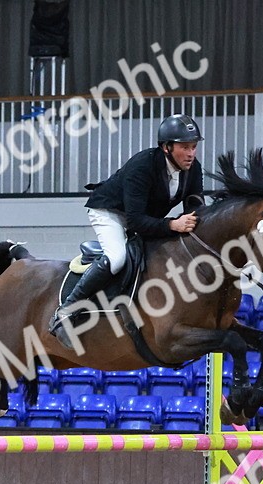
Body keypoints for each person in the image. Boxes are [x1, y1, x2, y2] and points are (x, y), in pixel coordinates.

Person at [49, 113, 206, 345]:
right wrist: (172, 224)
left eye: (193, 147)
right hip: (111, 211)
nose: (191, 153)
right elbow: (135, 221)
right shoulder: (142, 166)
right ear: (166, 147)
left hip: (143, 216)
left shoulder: (193, 169)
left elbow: (195, 203)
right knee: (117, 257)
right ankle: (66, 311)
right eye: (185, 147)